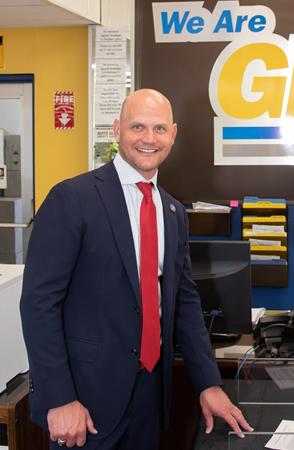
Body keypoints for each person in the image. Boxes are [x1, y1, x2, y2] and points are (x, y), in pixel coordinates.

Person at [20, 89, 252, 449]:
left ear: (173, 134)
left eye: (159, 128)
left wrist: (209, 384)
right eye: (137, 127)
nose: (149, 138)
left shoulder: (173, 212)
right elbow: (38, 304)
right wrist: (58, 397)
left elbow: (184, 302)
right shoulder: (73, 199)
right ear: (117, 130)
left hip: (150, 397)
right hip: (84, 403)